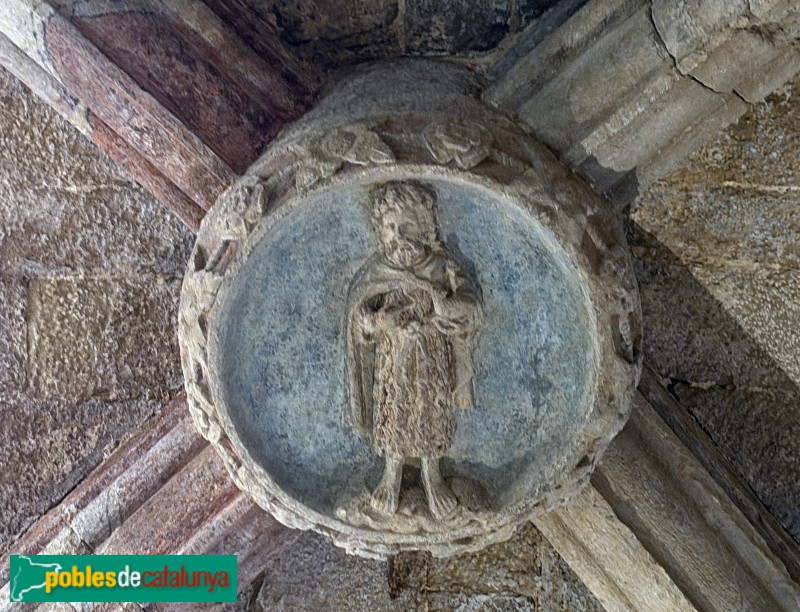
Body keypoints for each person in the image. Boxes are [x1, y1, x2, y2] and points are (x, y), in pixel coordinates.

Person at [346, 181, 482, 519]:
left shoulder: (441, 268)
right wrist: (381, 323)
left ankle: (432, 474)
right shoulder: (378, 273)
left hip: (432, 358)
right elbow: (360, 317)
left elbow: (470, 307)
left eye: (407, 226)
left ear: (424, 227)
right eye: (390, 228)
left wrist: (444, 308)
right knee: (393, 411)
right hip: (392, 361)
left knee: (431, 410)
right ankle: (391, 476)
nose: (398, 235)